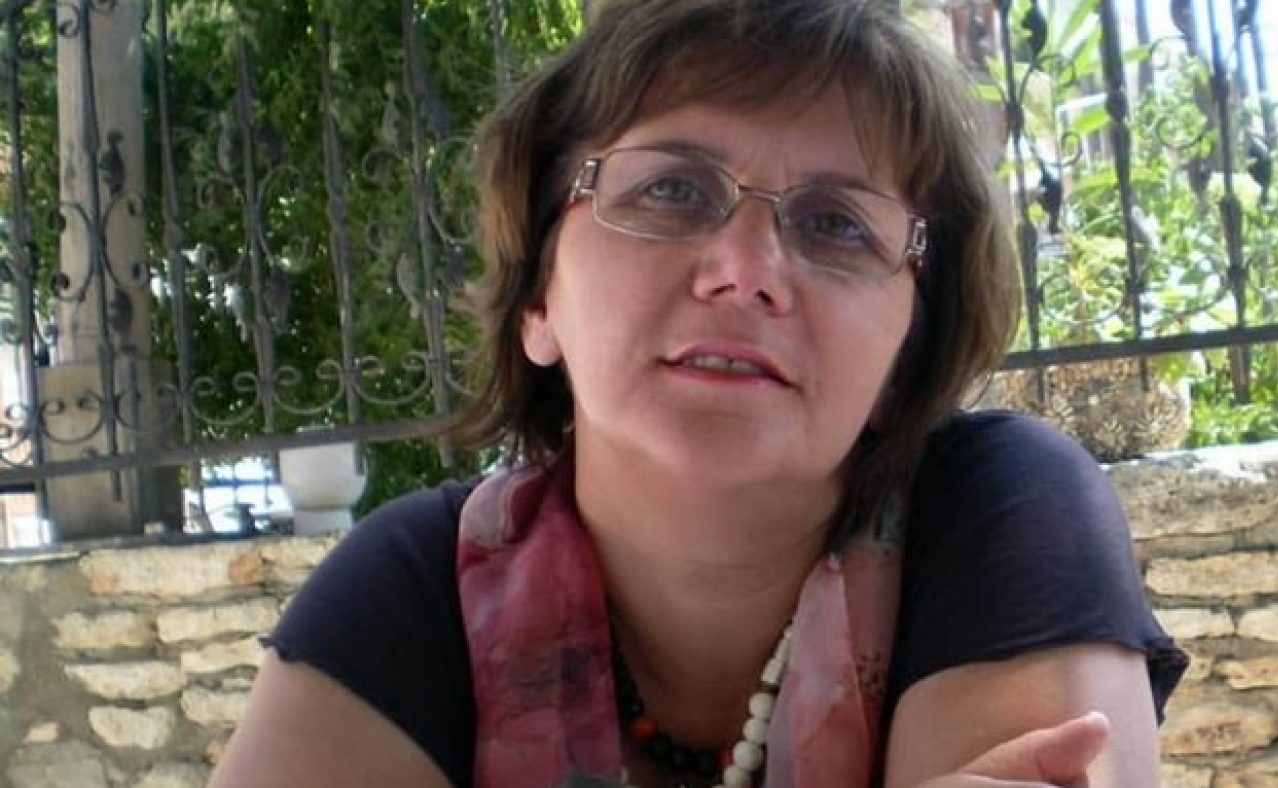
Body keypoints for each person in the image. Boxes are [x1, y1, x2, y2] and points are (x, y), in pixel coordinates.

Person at [210, 0, 1186, 786]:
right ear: (539, 298)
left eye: (837, 224)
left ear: (905, 354)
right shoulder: (415, 591)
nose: (746, 271)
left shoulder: (1001, 515)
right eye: (671, 189)